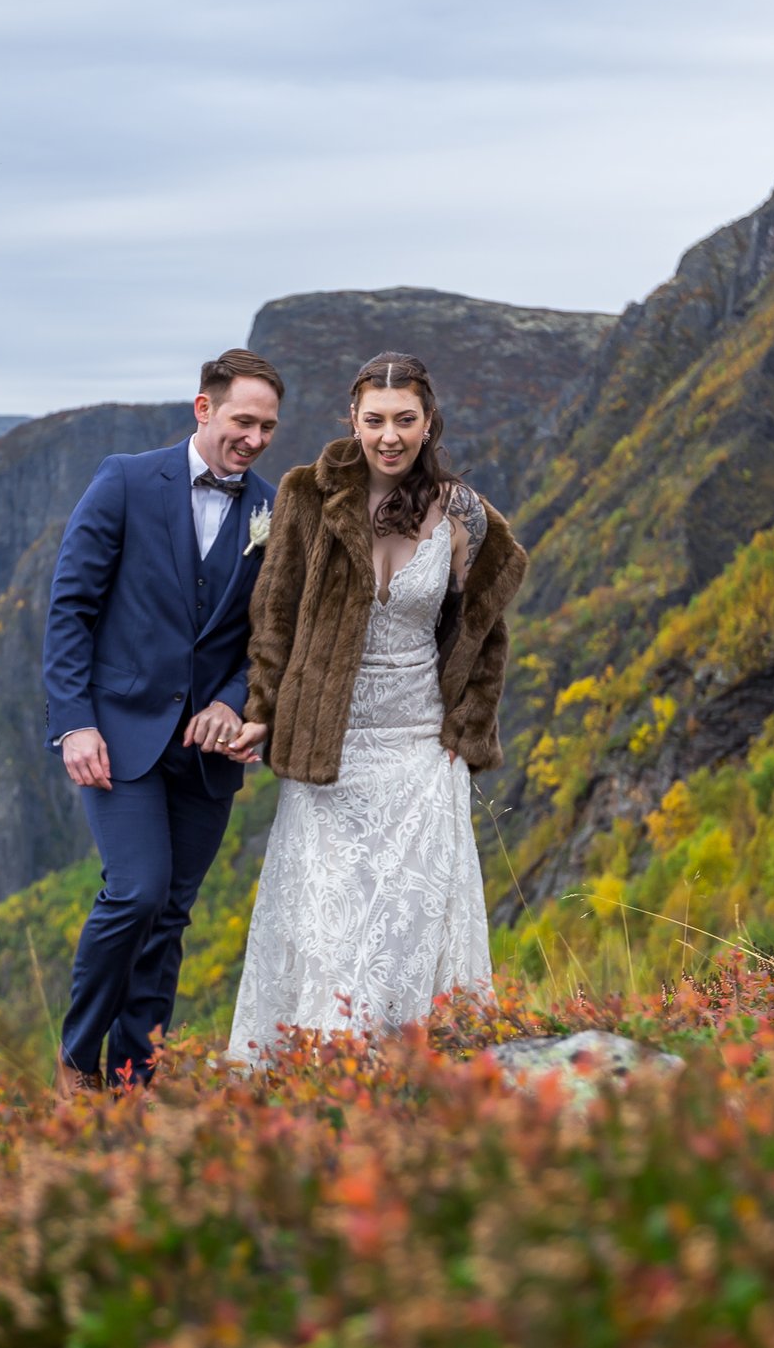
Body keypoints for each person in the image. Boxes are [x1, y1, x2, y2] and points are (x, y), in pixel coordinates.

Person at [225, 351, 526, 1057]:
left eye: (405, 420)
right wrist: (262, 709)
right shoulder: (307, 495)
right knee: (330, 929)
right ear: (352, 421)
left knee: (406, 927)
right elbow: (274, 617)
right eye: (375, 419)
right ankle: (321, 1074)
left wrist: (467, 725)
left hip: (420, 749)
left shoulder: (462, 513)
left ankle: (408, 1075)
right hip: (329, 750)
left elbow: (483, 634)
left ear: (428, 423)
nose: (389, 435)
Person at [42, 349, 283, 1089]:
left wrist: (236, 699)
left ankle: (133, 1080)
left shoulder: (275, 512)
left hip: (208, 754)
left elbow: (274, 632)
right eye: (244, 420)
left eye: (269, 427)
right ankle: (80, 1062)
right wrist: (74, 721)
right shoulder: (123, 480)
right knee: (135, 892)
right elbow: (71, 607)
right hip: (119, 737)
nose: (256, 438)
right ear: (203, 408)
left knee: (171, 916)